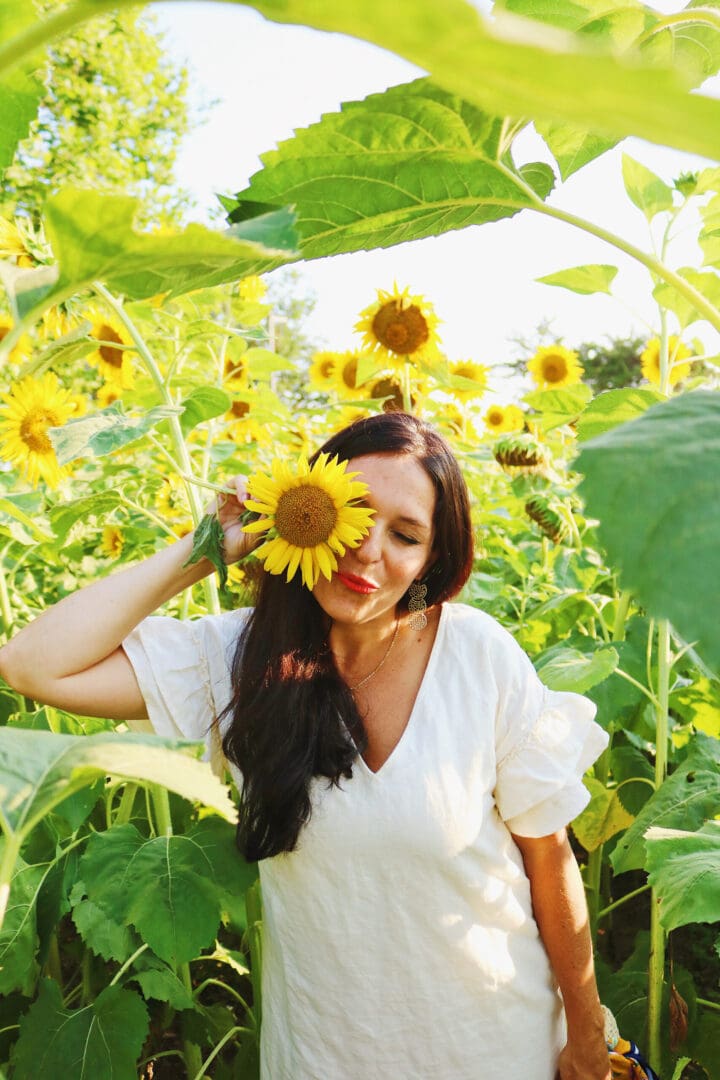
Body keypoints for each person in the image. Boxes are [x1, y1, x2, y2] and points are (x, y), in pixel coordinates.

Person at [0, 412, 612, 1080]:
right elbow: (34, 665)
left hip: (499, 1048)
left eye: (405, 535)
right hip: (327, 1056)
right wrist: (206, 547)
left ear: (430, 561)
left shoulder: (477, 656)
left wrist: (587, 1040)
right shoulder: (238, 660)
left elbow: (549, 860)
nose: (368, 549)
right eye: (350, 514)